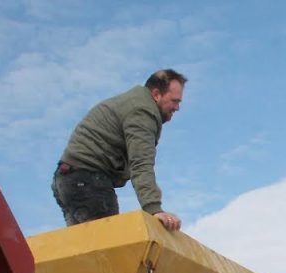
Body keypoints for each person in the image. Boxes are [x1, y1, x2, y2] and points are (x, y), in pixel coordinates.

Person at [52, 69, 186, 231]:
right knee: (108, 243)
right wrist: (153, 208)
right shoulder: (143, 111)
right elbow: (141, 163)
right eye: (174, 101)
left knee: (86, 248)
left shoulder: (132, 103)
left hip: (67, 179)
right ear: (156, 94)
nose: (177, 107)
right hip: (87, 180)